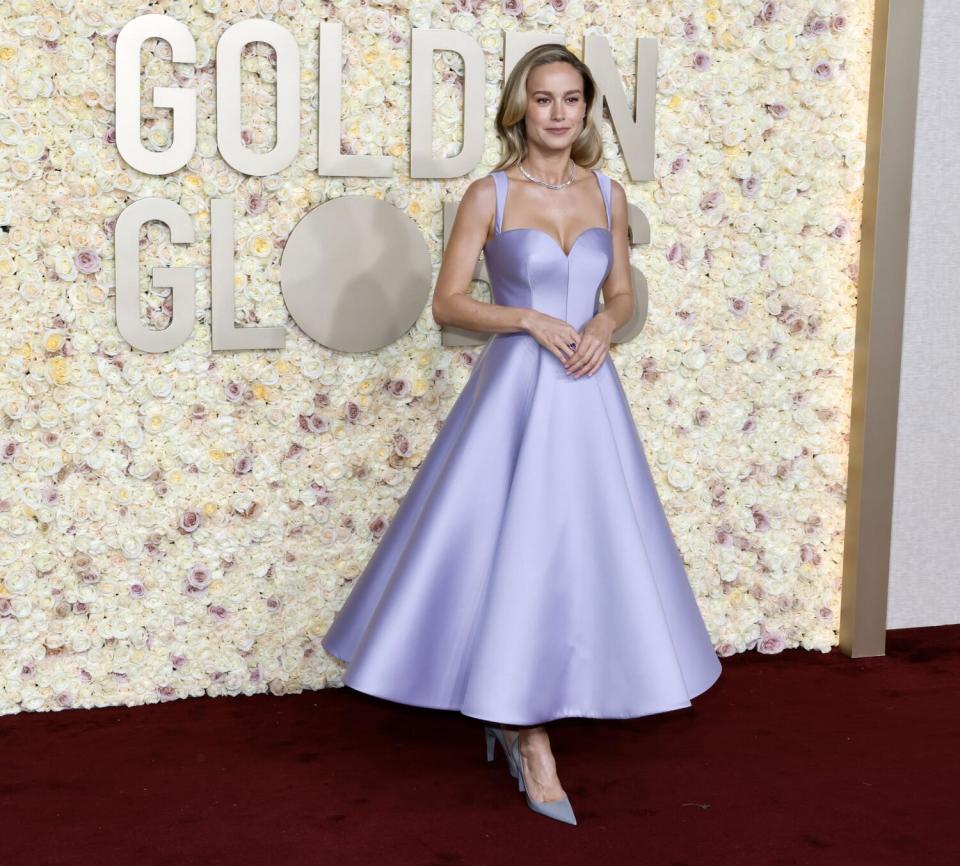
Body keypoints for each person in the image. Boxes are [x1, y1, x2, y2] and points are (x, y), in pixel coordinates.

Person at [321, 43, 722, 826]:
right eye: (544, 99)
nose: (559, 113)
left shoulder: (606, 192)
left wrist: (606, 324)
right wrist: (530, 318)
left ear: (588, 110)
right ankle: (525, 734)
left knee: (580, 549)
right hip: (517, 391)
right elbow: (447, 303)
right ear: (519, 109)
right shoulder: (490, 195)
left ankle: (547, 696)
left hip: (587, 387)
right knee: (507, 548)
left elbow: (619, 289)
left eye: (572, 99)